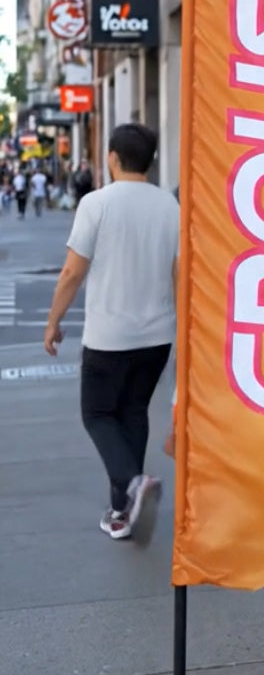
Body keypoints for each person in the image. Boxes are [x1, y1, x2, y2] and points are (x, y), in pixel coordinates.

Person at [44, 123, 179, 543]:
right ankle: (121, 511)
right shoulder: (170, 207)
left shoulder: (95, 204)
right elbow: (180, 274)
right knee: (133, 413)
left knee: (98, 414)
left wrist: (53, 321)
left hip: (108, 336)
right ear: (150, 161)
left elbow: (72, 271)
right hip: (157, 335)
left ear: (113, 158)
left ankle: (133, 485)